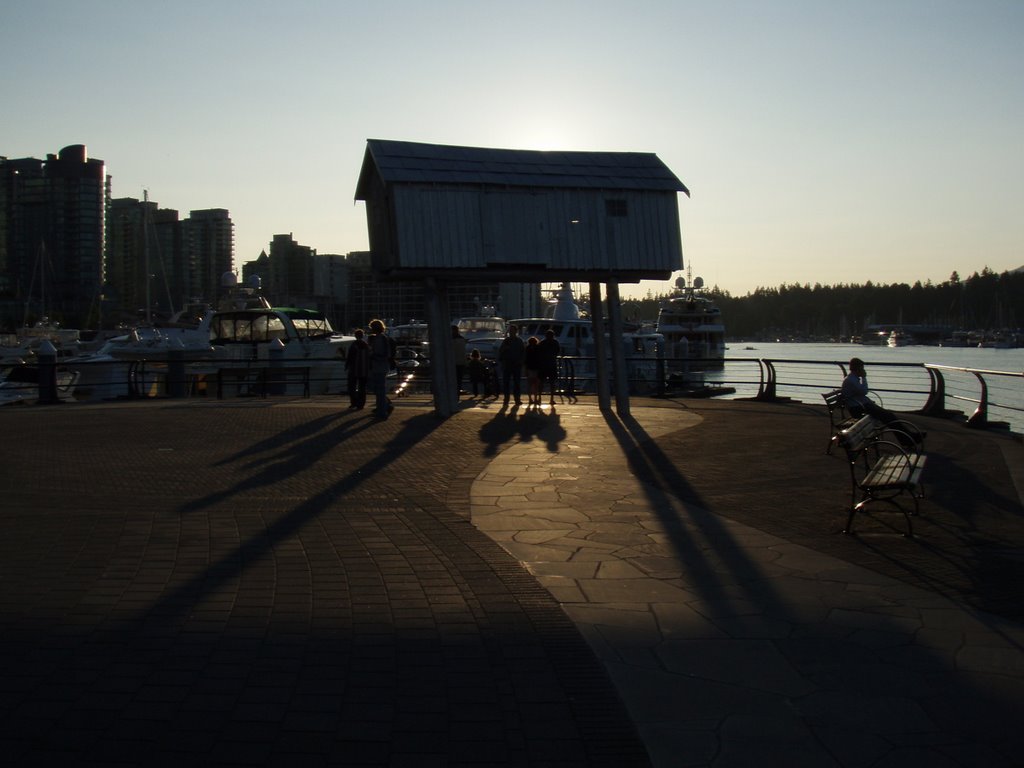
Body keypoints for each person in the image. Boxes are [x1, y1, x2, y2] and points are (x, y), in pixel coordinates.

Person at [841, 357, 917, 447]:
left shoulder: (853, 378)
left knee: (889, 415)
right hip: (859, 408)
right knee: (888, 416)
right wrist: (864, 378)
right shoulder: (851, 380)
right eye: (862, 368)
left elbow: (860, 393)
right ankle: (907, 438)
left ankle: (907, 437)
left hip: (862, 405)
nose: (863, 370)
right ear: (857, 368)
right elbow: (864, 391)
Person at [367, 318, 395, 418]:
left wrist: (374, 356)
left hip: (380, 366)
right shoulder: (381, 338)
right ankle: (383, 408)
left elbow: (385, 354)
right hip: (379, 366)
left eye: (372, 327)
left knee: (379, 389)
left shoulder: (380, 338)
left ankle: (382, 411)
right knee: (378, 389)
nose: (371, 329)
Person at [498, 324, 525, 407]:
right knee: (506, 382)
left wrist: (521, 362)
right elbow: (500, 352)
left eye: (512, 330)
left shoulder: (519, 341)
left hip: (516, 365)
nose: (511, 332)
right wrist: (504, 350)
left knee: (517, 383)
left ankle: (517, 399)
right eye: (510, 330)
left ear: (516, 331)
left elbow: (523, 353)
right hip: (507, 364)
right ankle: (506, 399)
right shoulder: (506, 341)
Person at [345, 328, 370, 410]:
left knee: (352, 386)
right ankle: (361, 404)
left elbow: (350, 356)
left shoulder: (354, 344)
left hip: (354, 368)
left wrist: (347, 365)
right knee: (362, 388)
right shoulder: (366, 345)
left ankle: (354, 402)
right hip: (363, 369)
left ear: (356, 336)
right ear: (362, 336)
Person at [536, 328, 561, 405]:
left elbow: (538, 353)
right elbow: (557, 351)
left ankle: (539, 397)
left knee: (541, 382)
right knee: (552, 383)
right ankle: (551, 399)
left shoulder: (542, 343)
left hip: (543, 365)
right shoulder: (555, 342)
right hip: (552, 364)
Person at [523, 336, 541, 406]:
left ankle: (530, 399)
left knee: (530, 384)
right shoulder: (538, 348)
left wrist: (525, 369)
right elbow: (540, 359)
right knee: (536, 385)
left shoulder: (527, 349)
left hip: (529, 368)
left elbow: (525, 360)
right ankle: (536, 398)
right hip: (536, 368)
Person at [451, 325, 467, 397]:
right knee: (459, 379)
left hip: (452, 362)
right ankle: (457, 393)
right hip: (461, 362)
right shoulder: (462, 339)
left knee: (452, 379)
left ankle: (453, 393)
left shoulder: (450, 340)